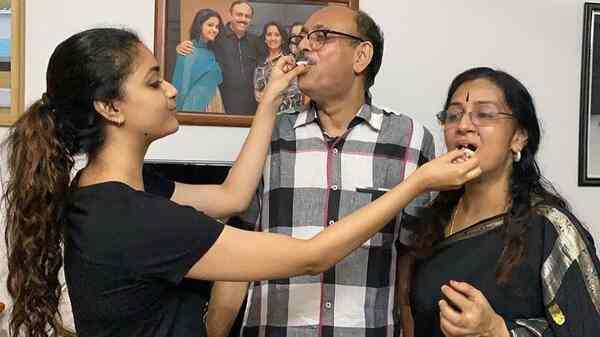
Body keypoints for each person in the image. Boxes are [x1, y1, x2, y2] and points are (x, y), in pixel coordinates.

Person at [2, 28, 480, 337]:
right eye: (152, 82)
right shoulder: (135, 219)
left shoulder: (111, 190)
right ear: (110, 108)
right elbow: (311, 256)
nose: (171, 88)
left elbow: (232, 195)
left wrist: (270, 100)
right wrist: (416, 183)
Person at [206, 7, 439, 337]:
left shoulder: (410, 139)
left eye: (321, 37)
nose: (302, 46)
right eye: (300, 39)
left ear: (361, 57)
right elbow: (238, 249)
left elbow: (412, 258)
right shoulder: (270, 133)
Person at [401, 67, 600, 337]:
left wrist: (497, 330)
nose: (463, 126)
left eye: (484, 114)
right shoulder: (429, 226)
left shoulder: (549, 229)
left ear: (518, 137)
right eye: (453, 115)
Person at [177, 1, 263, 115]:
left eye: (247, 16)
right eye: (239, 14)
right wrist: (180, 47)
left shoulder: (256, 42)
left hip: (251, 107)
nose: (243, 19)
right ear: (230, 15)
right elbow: (199, 47)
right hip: (222, 105)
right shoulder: (217, 37)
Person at [171, 8, 224, 113]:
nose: (214, 29)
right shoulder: (188, 49)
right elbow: (182, 87)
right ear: (199, 25)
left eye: (217, 27)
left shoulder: (212, 51)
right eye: (210, 25)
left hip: (214, 102)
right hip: (194, 106)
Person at [253, 21, 303, 112]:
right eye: (269, 34)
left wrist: (270, 94)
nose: (272, 38)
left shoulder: (289, 61)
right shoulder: (260, 64)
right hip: (265, 115)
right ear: (265, 38)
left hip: (287, 114)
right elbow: (258, 96)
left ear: (282, 39)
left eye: (277, 35)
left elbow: (295, 92)